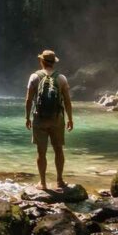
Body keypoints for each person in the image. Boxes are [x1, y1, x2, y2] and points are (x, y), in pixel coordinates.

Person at [25, 49, 74, 190]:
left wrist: (27, 117)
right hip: (57, 119)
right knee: (58, 149)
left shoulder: (34, 77)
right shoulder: (62, 78)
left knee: (41, 152)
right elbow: (67, 102)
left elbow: (29, 100)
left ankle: (43, 183)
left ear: (41, 61)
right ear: (53, 63)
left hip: (39, 118)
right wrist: (70, 119)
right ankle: (59, 180)